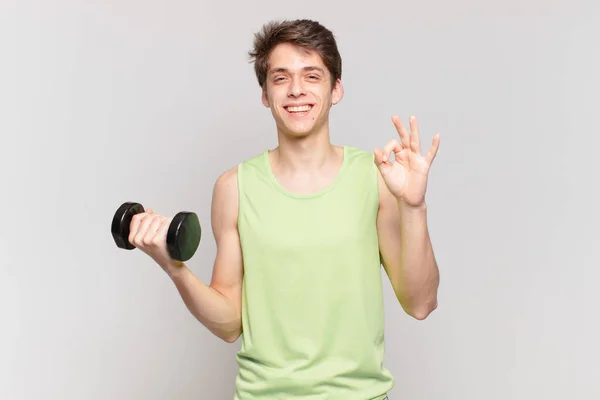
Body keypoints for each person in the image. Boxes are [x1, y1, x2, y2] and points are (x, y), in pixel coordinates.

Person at [127, 19, 440, 400]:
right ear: (265, 93)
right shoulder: (234, 188)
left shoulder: (375, 179)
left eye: (312, 76)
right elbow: (228, 324)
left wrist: (414, 206)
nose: (296, 90)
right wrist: (172, 266)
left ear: (336, 88)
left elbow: (420, 303)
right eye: (280, 78)